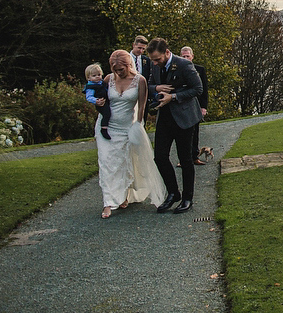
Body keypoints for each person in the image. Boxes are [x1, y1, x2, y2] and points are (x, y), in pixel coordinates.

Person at [94, 50, 166, 218]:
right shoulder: (108, 80)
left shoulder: (139, 81)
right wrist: (98, 103)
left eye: (121, 69)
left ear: (128, 65)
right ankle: (108, 202)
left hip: (126, 128)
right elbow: (100, 103)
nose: (118, 73)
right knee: (106, 163)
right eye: (115, 70)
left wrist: (138, 127)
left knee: (123, 163)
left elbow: (141, 107)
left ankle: (123, 195)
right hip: (107, 127)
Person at [147, 37, 204, 214]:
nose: (155, 63)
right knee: (160, 157)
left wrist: (174, 97)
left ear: (167, 52)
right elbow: (149, 84)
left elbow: (197, 89)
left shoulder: (184, 65)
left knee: (185, 158)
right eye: (152, 60)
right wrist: (157, 89)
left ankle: (188, 197)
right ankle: (173, 193)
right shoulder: (155, 65)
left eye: (157, 59)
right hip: (164, 117)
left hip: (185, 117)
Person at [180, 46, 209, 166]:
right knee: (182, 133)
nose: (186, 58)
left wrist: (203, 107)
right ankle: (183, 159)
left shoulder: (199, 70)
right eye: (183, 56)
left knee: (195, 131)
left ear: (192, 56)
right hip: (182, 105)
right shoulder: (178, 69)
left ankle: (195, 156)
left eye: (188, 56)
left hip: (196, 105)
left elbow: (204, 90)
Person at [84, 63, 112, 140]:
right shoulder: (90, 86)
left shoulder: (102, 82)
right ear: (88, 78)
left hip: (106, 100)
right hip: (100, 103)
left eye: (99, 75)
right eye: (94, 76)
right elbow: (89, 97)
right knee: (107, 113)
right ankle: (104, 128)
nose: (97, 77)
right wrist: (96, 100)